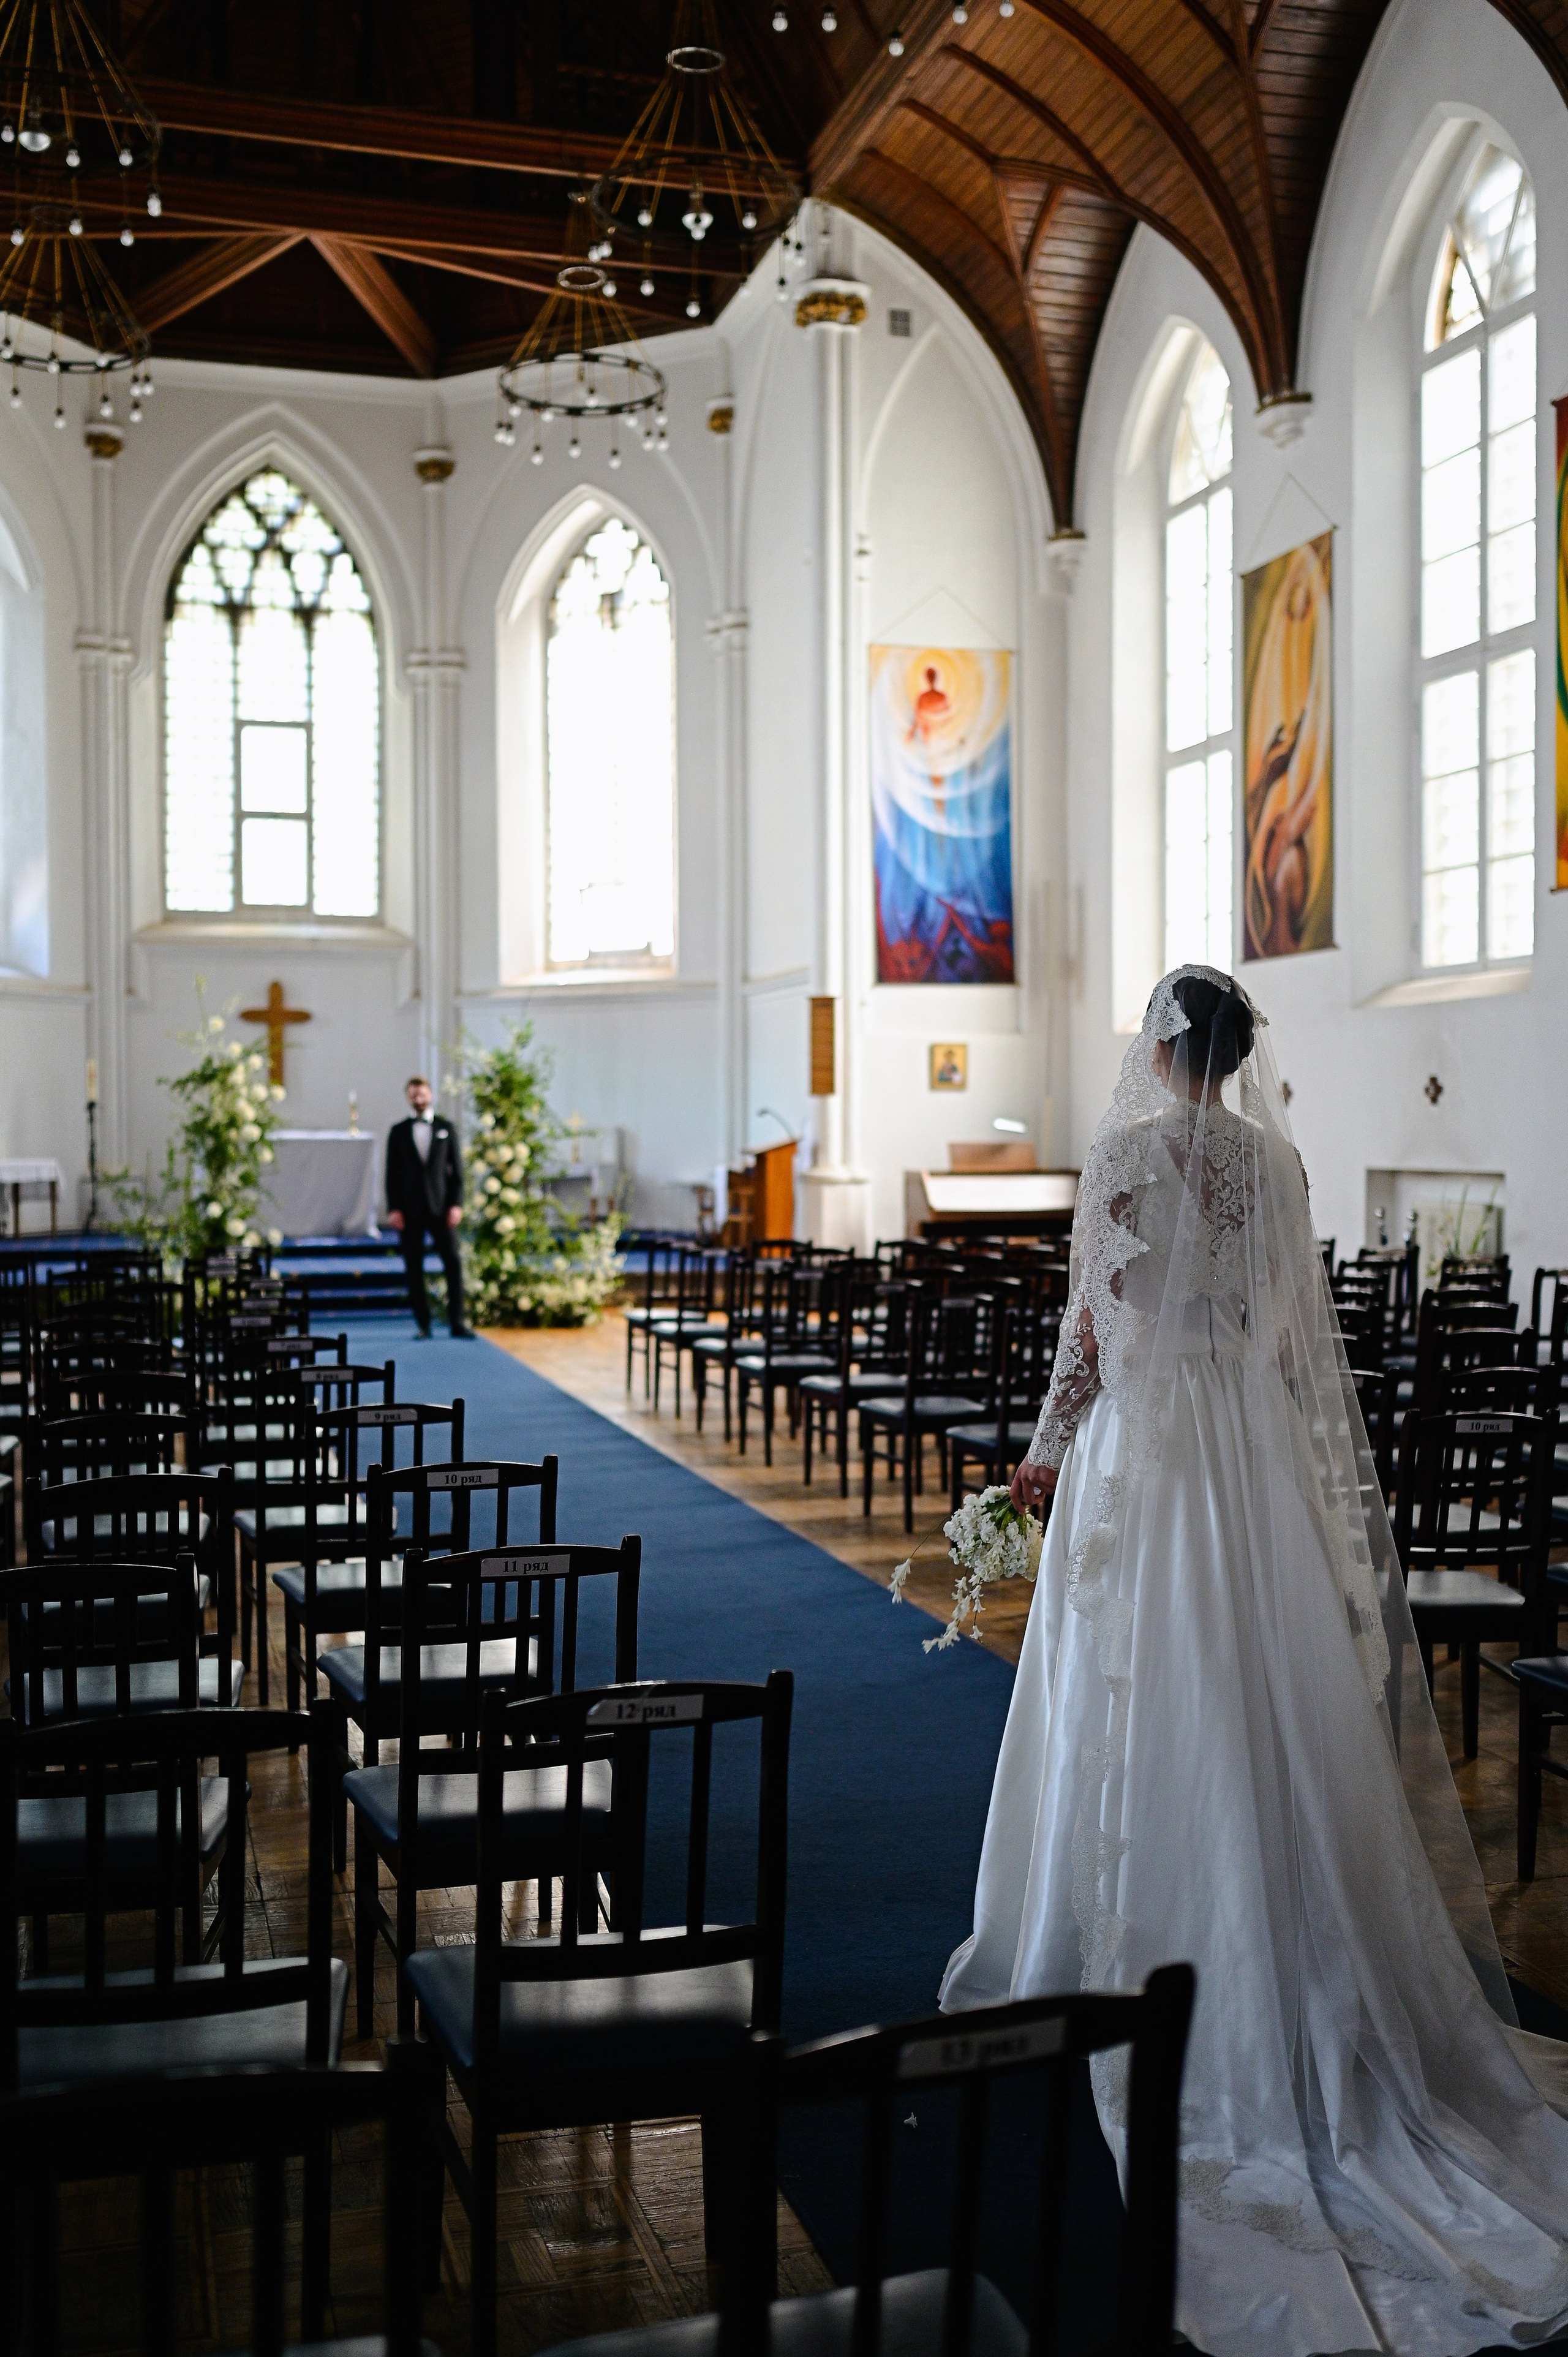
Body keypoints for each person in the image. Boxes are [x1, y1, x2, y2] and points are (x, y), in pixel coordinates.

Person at [941, 964, 1568, 2356]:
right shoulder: (1273, 1167)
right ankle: (1290, 1931)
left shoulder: (1120, 1155)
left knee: (1132, 1689)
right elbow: (1289, 1339)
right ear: (1230, 1053)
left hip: (1146, 1453)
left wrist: (1041, 1458)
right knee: (1263, 1701)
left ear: (1160, 1047)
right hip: (1242, 1457)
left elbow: (1091, 1332)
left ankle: (1100, 1933)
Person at [383, 1076, 473, 1339]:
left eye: (422, 1094)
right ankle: (423, 1324)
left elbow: (457, 1171)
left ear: (430, 1095)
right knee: (414, 1267)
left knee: (453, 1263)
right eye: (413, 1095)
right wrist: (394, 1208)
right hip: (410, 1210)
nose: (418, 1100)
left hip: (441, 1208)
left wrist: (456, 1204)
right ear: (408, 1097)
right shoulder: (398, 1131)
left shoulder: (447, 1127)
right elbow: (391, 1174)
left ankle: (457, 1321)